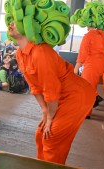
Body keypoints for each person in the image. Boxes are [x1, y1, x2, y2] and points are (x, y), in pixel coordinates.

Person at [7, 10, 95, 165]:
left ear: (29, 26)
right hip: (58, 95)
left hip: (77, 96)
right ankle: (43, 166)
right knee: (40, 133)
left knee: (52, 137)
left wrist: (50, 117)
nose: (11, 24)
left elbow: (51, 91)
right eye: (11, 20)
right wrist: (45, 112)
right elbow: (35, 87)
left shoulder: (41, 52)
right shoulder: (19, 54)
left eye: (17, 20)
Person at [74, 26, 104, 110]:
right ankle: (94, 100)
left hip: (91, 64)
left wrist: (76, 69)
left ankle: (91, 104)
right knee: (91, 85)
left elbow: (82, 53)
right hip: (102, 63)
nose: (87, 27)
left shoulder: (89, 35)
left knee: (87, 87)